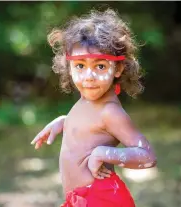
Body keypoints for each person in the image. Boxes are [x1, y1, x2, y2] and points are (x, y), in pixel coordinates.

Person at [31, 8, 157, 207]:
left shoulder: (110, 111)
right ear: (69, 66)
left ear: (118, 68)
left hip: (103, 199)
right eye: (80, 66)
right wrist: (64, 121)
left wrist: (103, 153)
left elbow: (148, 156)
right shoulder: (87, 100)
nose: (89, 76)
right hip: (79, 200)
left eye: (100, 66)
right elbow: (90, 125)